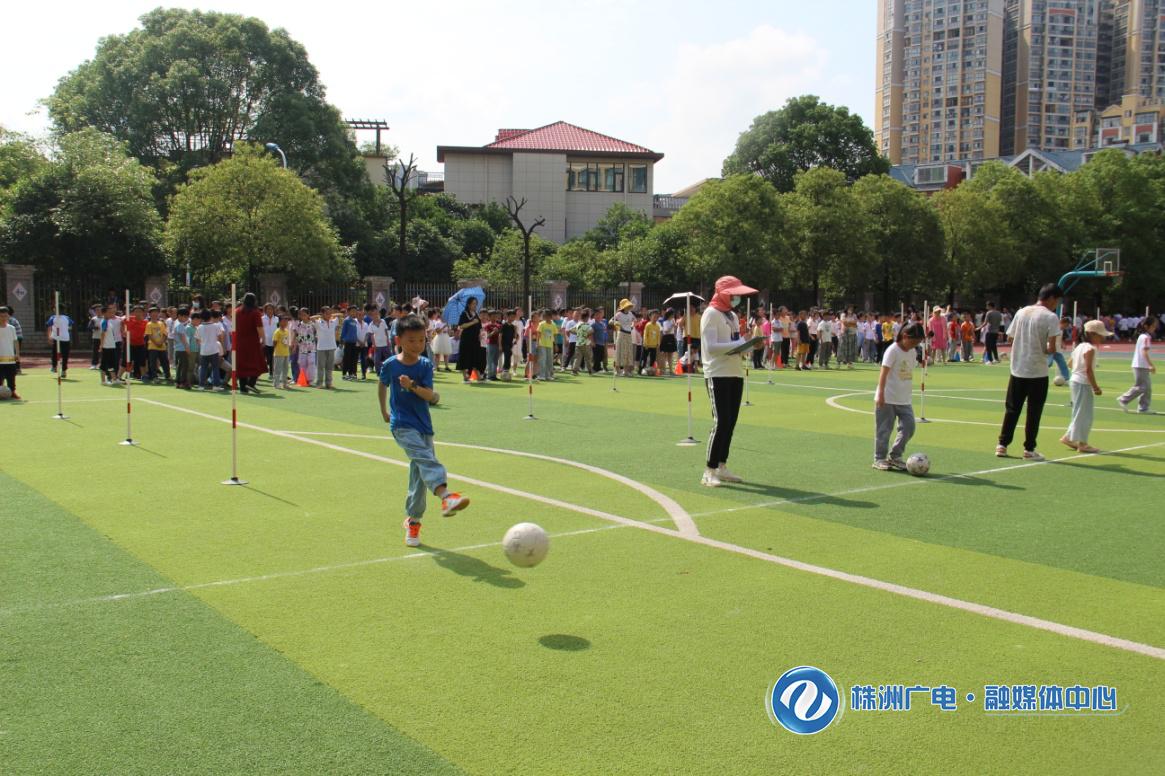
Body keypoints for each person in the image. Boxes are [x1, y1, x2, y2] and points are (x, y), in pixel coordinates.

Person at [378, 314, 469, 547]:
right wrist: (383, 410)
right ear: (399, 340)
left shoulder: (426, 365)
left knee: (418, 478)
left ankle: (413, 522)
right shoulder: (391, 365)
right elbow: (382, 384)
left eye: (421, 340)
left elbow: (431, 396)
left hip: (424, 425)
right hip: (401, 424)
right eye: (411, 341)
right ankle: (446, 496)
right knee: (425, 458)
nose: (417, 345)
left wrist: (412, 386)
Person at [699, 275, 757, 487]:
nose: (735, 299)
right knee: (721, 421)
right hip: (717, 373)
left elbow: (733, 343)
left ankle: (722, 466)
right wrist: (739, 343)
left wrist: (748, 344)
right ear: (723, 294)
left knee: (730, 422)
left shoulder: (731, 315)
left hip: (735, 372)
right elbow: (712, 346)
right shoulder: (711, 314)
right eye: (732, 295)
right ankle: (709, 469)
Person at [996, 283, 1063, 460]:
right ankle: (1029, 449)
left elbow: (1011, 337)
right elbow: (1051, 347)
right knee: (1034, 411)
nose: (1056, 305)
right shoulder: (1051, 317)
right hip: (1037, 371)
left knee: (1012, 408)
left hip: (1018, 367)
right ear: (1051, 298)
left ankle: (1002, 444)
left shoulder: (1022, 312)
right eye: (1057, 301)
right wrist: (1049, 349)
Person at [873, 323, 925, 470]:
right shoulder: (892, 350)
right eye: (914, 341)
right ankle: (879, 458)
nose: (915, 345)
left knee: (909, 426)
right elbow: (883, 373)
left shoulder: (913, 352)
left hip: (904, 398)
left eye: (918, 342)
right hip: (888, 397)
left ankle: (895, 455)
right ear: (905, 336)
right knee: (884, 430)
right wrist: (880, 394)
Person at [1061, 319, 1109, 453]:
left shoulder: (1079, 347)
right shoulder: (1090, 348)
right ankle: (1082, 443)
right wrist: (1096, 387)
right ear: (1092, 334)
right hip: (1082, 383)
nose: (1102, 338)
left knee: (1079, 412)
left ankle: (1069, 437)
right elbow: (1088, 370)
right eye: (1100, 335)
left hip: (1075, 381)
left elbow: (1070, 364)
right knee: (1085, 414)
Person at [1118, 315, 1158, 413]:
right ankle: (1124, 399)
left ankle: (1143, 408)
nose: (1154, 328)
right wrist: (1151, 365)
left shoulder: (1143, 336)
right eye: (1153, 326)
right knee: (1142, 387)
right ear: (1146, 326)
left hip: (1140, 365)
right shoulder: (1145, 337)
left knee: (1147, 388)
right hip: (1140, 365)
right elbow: (1144, 352)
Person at [232, 293, 267, 393]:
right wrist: (263, 339)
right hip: (252, 342)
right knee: (257, 363)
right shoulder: (255, 313)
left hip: (239, 342)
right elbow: (259, 328)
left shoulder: (236, 311)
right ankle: (251, 383)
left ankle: (243, 387)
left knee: (242, 364)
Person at [196, 310, 226, 391]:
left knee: (203, 368)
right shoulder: (216, 326)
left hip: (204, 350)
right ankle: (216, 386)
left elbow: (197, 340)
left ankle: (201, 385)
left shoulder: (199, 327)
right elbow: (220, 337)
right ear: (210, 317)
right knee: (215, 368)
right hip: (214, 349)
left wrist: (202, 345)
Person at [313, 307, 338, 389]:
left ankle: (328, 383)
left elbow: (341, 315)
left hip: (331, 346)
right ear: (322, 314)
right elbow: (310, 318)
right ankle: (319, 383)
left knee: (329, 366)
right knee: (320, 366)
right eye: (327, 313)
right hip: (321, 347)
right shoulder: (318, 322)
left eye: (330, 313)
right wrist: (320, 316)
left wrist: (330, 314)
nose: (329, 315)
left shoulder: (333, 321)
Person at [144, 307, 170, 383]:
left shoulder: (161, 323)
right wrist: (156, 343)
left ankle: (168, 376)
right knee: (153, 362)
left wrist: (161, 342)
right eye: (153, 313)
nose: (155, 314)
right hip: (152, 346)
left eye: (156, 312)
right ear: (150, 314)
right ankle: (154, 377)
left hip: (162, 347)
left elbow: (165, 334)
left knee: (165, 361)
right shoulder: (149, 324)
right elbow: (149, 335)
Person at [292, 308, 317, 385]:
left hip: (311, 348)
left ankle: (311, 380)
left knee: (311, 362)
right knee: (302, 364)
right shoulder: (298, 325)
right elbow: (296, 336)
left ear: (308, 315)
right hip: (302, 348)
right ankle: (304, 379)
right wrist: (294, 346)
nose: (303, 316)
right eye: (301, 315)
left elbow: (317, 333)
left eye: (305, 315)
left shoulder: (313, 324)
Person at [47, 307, 73, 378]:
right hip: (65, 338)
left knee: (55, 353)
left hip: (57, 338)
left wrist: (49, 337)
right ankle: (63, 370)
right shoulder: (67, 318)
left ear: (56, 310)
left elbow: (49, 327)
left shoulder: (53, 317)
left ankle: (54, 367)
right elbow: (71, 325)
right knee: (65, 355)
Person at [0, 307, 20, 399]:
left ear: (8, 316)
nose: (3, 318)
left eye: (5, 316)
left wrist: (17, 353)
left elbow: (15, 341)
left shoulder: (11, 328)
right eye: (1, 316)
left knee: (11, 377)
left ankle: (12, 392)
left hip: (10, 358)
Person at [613, 299, 636, 377]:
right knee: (620, 351)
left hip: (629, 334)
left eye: (629, 306)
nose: (629, 307)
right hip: (622, 333)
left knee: (628, 352)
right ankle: (617, 370)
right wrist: (617, 324)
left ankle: (626, 371)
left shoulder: (630, 314)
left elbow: (634, 321)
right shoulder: (618, 314)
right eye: (627, 306)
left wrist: (632, 325)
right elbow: (611, 321)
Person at [173, 307, 193, 389]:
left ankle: (178, 382)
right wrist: (187, 347)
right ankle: (182, 382)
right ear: (180, 316)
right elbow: (183, 337)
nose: (187, 318)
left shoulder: (176, 322)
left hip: (178, 348)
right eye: (185, 317)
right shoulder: (180, 325)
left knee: (180, 366)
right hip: (182, 348)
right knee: (184, 366)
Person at [271, 315, 292, 389]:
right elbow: (274, 342)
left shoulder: (286, 331)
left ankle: (285, 384)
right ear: (279, 322)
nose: (285, 322)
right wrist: (277, 349)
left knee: (286, 369)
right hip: (279, 353)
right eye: (283, 321)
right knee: (278, 369)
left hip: (286, 353)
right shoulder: (277, 331)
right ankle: (276, 383)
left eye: (286, 321)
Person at [537, 309, 558, 381]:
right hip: (542, 344)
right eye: (544, 316)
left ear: (550, 316)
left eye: (547, 316)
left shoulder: (553, 324)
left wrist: (556, 345)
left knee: (549, 360)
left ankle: (548, 375)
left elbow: (555, 335)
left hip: (550, 345)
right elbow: (538, 334)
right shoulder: (541, 324)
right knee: (543, 360)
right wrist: (537, 343)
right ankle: (541, 375)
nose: (546, 318)